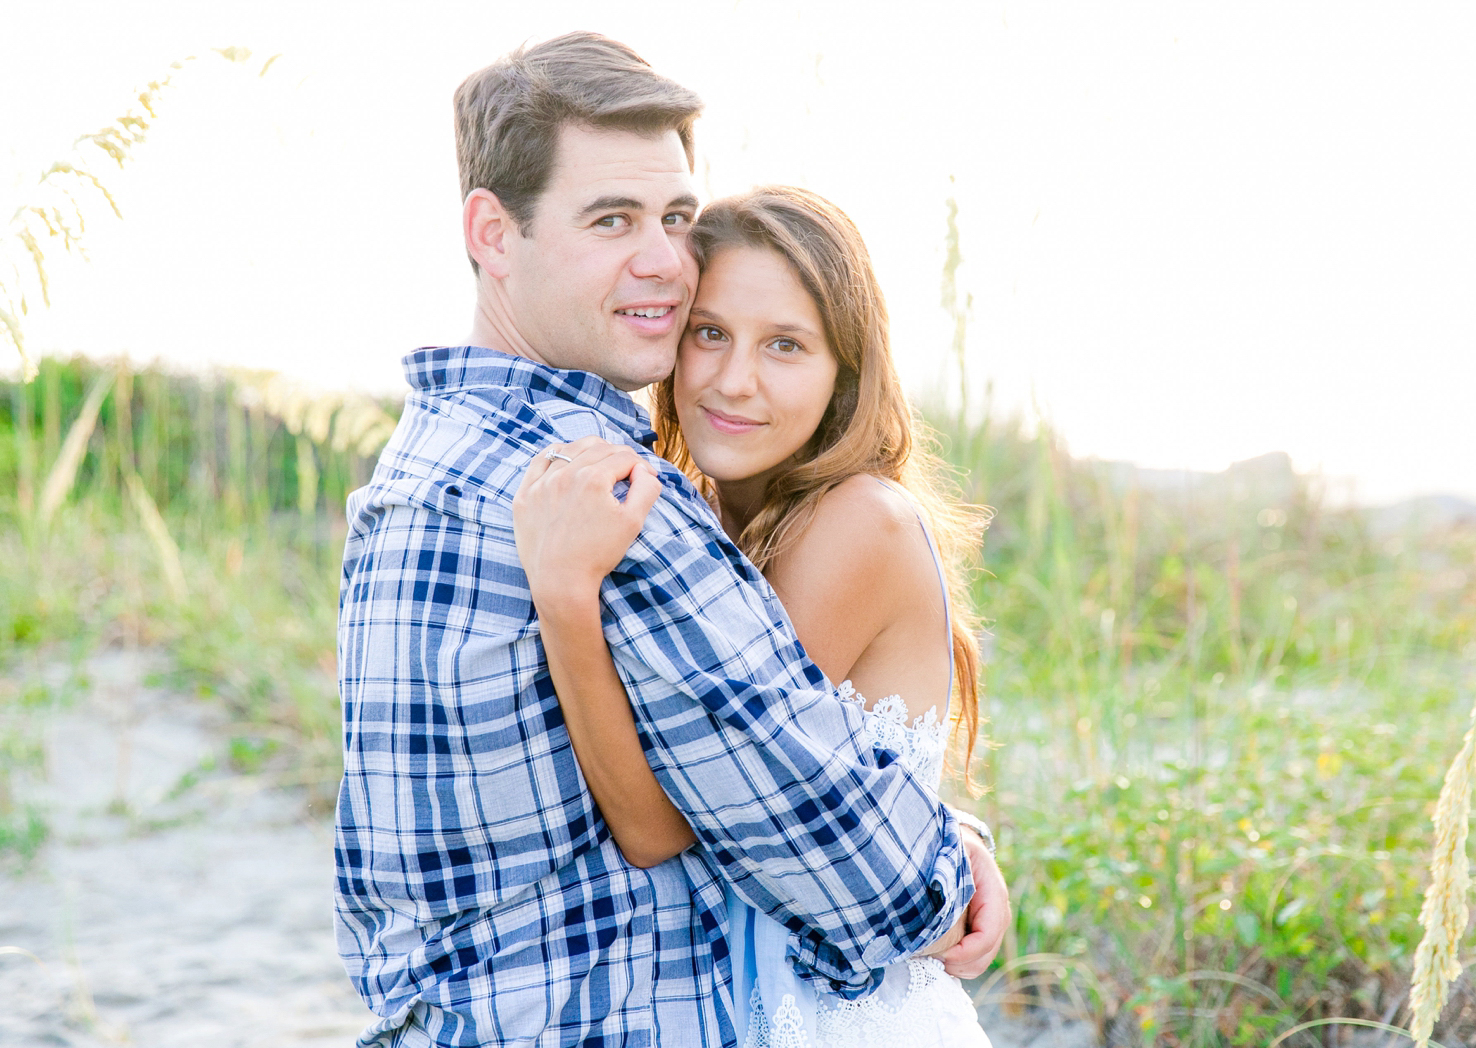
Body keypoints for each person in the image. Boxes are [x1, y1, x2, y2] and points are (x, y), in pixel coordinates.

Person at [334, 32, 1007, 1048]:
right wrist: (947, 857)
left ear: (845, 369)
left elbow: (754, 810)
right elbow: (847, 859)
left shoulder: (429, 465)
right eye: (612, 220)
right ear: (492, 232)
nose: (659, 262)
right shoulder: (614, 496)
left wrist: (950, 844)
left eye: (674, 219)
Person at [511, 186, 995, 1047]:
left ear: (845, 371)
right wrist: (956, 836)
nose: (736, 380)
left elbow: (662, 827)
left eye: (785, 346)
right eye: (711, 334)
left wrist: (564, 597)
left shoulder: (856, 523)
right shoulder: (702, 519)